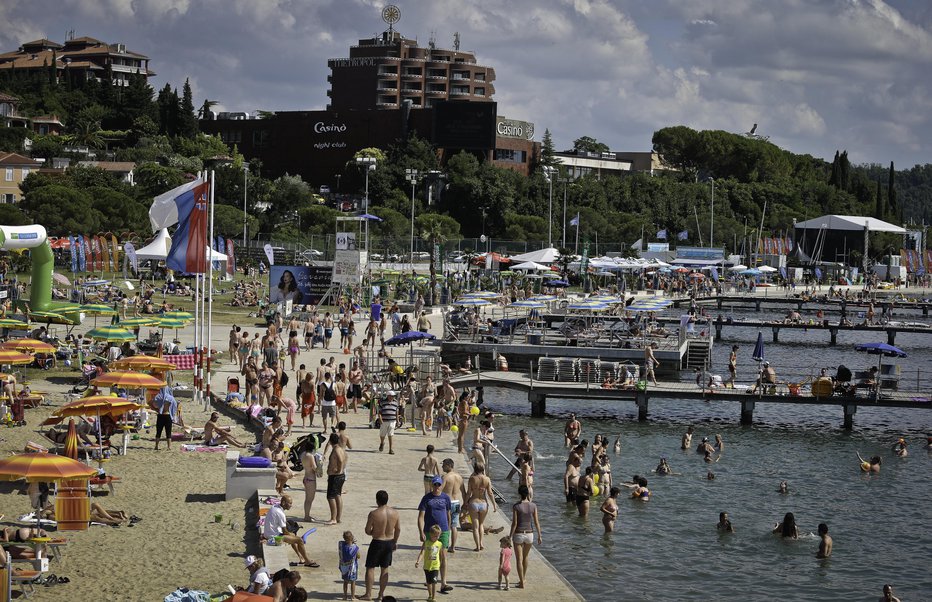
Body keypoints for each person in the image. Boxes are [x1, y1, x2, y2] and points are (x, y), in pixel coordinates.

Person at [417, 475, 453, 594]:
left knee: (443, 556)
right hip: (429, 530)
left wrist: (448, 528)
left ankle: (443, 583)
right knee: (430, 555)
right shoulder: (426, 498)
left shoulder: (446, 498)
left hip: (443, 530)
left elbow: (448, 513)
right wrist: (421, 531)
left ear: (441, 485)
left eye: (439, 484)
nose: (437, 487)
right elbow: (421, 516)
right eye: (435, 484)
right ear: (432, 485)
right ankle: (430, 578)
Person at [363, 490, 401, 602]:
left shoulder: (374, 513)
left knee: (370, 568)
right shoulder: (395, 513)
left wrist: (373, 532)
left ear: (377, 500)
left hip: (377, 541)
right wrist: (394, 541)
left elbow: (367, 530)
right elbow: (398, 529)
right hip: (389, 541)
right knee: (385, 569)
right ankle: (381, 595)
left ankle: (368, 594)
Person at [262, 495, 318, 567]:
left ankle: (301, 558)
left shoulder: (275, 507)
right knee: (299, 540)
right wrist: (294, 536)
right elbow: (285, 532)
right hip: (274, 539)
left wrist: (292, 536)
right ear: (283, 502)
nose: (291, 505)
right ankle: (307, 561)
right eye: (290, 503)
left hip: (268, 535)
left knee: (293, 537)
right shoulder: (280, 513)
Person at [509, 484, 541, 590]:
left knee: (519, 559)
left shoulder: (516, 506)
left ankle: (521, 581)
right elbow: (536, 522)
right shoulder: (533, 506)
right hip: (529, 534)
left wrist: (509, 536)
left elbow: (514, 523)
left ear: (519, 494)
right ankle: (523, 578)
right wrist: (539, 535)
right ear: (528, 493)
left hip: (518, 534)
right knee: (525, 557)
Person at [466, 462, 497, 551]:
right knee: (481, 525)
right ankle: (481, 543)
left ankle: (477, 546)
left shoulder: (472, 479)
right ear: (483, 469)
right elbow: (490, 493)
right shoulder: (487, 479)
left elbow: (468, 493)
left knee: (475, 526)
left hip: (474, 502)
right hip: (483, 504)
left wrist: (465, 503)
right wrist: (494, 505)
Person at [441, 458, 467, 553]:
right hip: (456, 503)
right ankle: (453, 546)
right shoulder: (459, 477)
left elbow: (439, 490)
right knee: (454, 525)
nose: (442, 467)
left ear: (449, 466)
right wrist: (465, 503)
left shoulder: (446, 477)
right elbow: (464, 492)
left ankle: (445, 544)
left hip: (446, 503)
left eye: (443, 465)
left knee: (446, 524)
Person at [326, 433, 347, 525]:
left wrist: (338, 469)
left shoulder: (336, 450)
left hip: (335, 476)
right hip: (340, 475)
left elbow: (341, 460)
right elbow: (345, 458)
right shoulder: (341, 449)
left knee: (330, 497)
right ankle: (338, 517)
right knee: (337, 495)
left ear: (330, 441)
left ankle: (333, 518)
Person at [151, 385, 177, 451]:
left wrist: (156, 409)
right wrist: (173, 414)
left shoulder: (158, 397)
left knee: (158, 431)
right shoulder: (171, 398)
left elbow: (151, 403)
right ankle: (169, 447)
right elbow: (175, 407)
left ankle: (156, 446)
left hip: (160, 415)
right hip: (168, 415)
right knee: (168, 432)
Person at [338, 530, 359, 601]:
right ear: (352, 538)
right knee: (353, 582)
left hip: (344, 568)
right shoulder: (354, 547)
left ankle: (345, 596)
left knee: (345, 582)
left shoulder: (342, 546)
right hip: (352, 568)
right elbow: (358, 556)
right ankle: (353, 596)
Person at [302, 448, 318, 522]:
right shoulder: (310, 456)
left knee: (307, 498)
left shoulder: (303, 454)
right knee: (310, 499)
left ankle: (306, 515)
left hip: (306, 477)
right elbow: (314, 468)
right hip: (311, 479)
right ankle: (307, 516)